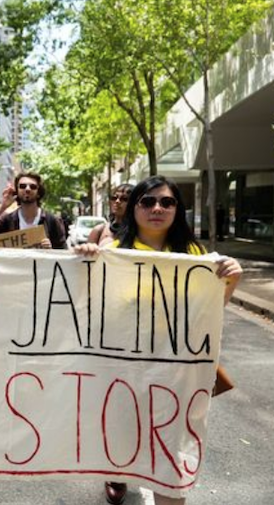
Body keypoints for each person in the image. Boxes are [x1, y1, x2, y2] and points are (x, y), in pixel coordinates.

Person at [74, 175, 242, 505]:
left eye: (167, 202)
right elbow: (89, 309)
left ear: (177, 210)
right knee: (124, 440)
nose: (157, 208)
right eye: (147, 201)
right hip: (122, 373)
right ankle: (118, 473)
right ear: (134, 208)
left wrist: (231, 280)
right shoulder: (113, 252)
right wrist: (86, 262)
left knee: (170, 458)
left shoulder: (194, 253)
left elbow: (208, 313)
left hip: (174, 375)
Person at [0, 172, 66, 249]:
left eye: (33, 187)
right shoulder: (7, 220)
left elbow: (64, 253)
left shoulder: (51, 220)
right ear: (17, 192)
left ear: (39, 193)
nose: (27, 189)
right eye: (22, 186)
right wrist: (2, 207)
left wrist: (51, 249)